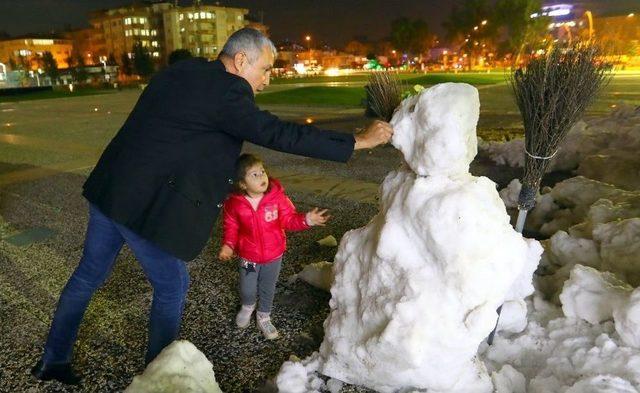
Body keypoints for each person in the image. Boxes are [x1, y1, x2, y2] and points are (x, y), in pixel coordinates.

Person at [31, 27, 393, 385]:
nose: (267, 80)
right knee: (172, 284)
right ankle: (160, 377)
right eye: (265, 69)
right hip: (141, 205)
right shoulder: (227, 91)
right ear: (240, 60)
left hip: (110, 190)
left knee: (86, 277)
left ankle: (53, 359)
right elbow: (280, 133)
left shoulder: (184, 71)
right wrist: (356, 141)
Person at [218, 154, 328, 339]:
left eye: (262, 171)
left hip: (274, 255)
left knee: (268, 287)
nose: (262, 177)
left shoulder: (277, 198)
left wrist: (307, 219)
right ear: (242, 184)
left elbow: (289, 219)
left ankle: (264, 316)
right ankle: (248, 305)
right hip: (248, 257)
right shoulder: (234, 204)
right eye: (254, 174)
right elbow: (231, 226)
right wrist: (229, 245)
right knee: (247, 287)